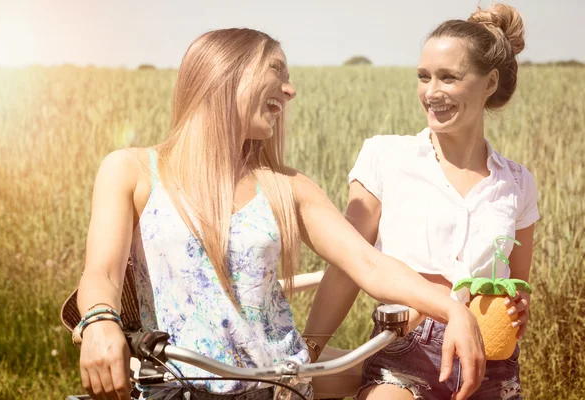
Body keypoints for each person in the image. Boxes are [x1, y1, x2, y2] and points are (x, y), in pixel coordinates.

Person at [75, 28, 485, 400]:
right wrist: (98, 321)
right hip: (174, 385)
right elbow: (103, 274)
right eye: (277, 71)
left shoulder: (288, 187)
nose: (290, 91)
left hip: (280, 390)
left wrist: (451, 308)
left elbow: (367, 262)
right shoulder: (133, 170)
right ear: (226, 73)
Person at [304, 4, 539, 400]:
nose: (431, 92)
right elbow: (347, 266)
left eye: (449, 77)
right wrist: (306, 356)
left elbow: (517, 286)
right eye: (423, 77)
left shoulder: (518, 182)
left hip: (490, 362)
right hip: (402, 355)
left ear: (489, 82)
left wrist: (519, 306)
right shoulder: (384, 158)